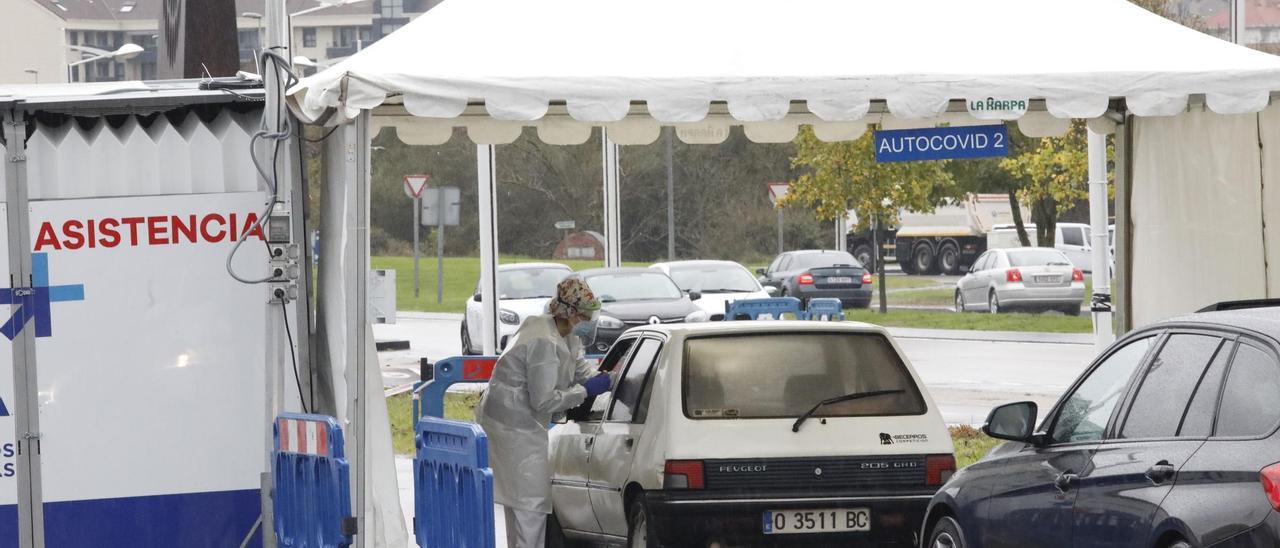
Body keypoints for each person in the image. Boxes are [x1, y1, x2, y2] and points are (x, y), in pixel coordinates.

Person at [476, 275, 613, 548]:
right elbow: (544, 400)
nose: (587, 322)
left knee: (521, 505)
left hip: (516, 428)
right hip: (514, 430)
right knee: (530, 504)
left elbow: (578, 367)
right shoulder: (542, 341)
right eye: (584, 316)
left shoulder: (556, 333)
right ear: (570, 313)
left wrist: (604, 378)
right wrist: (586, 391)